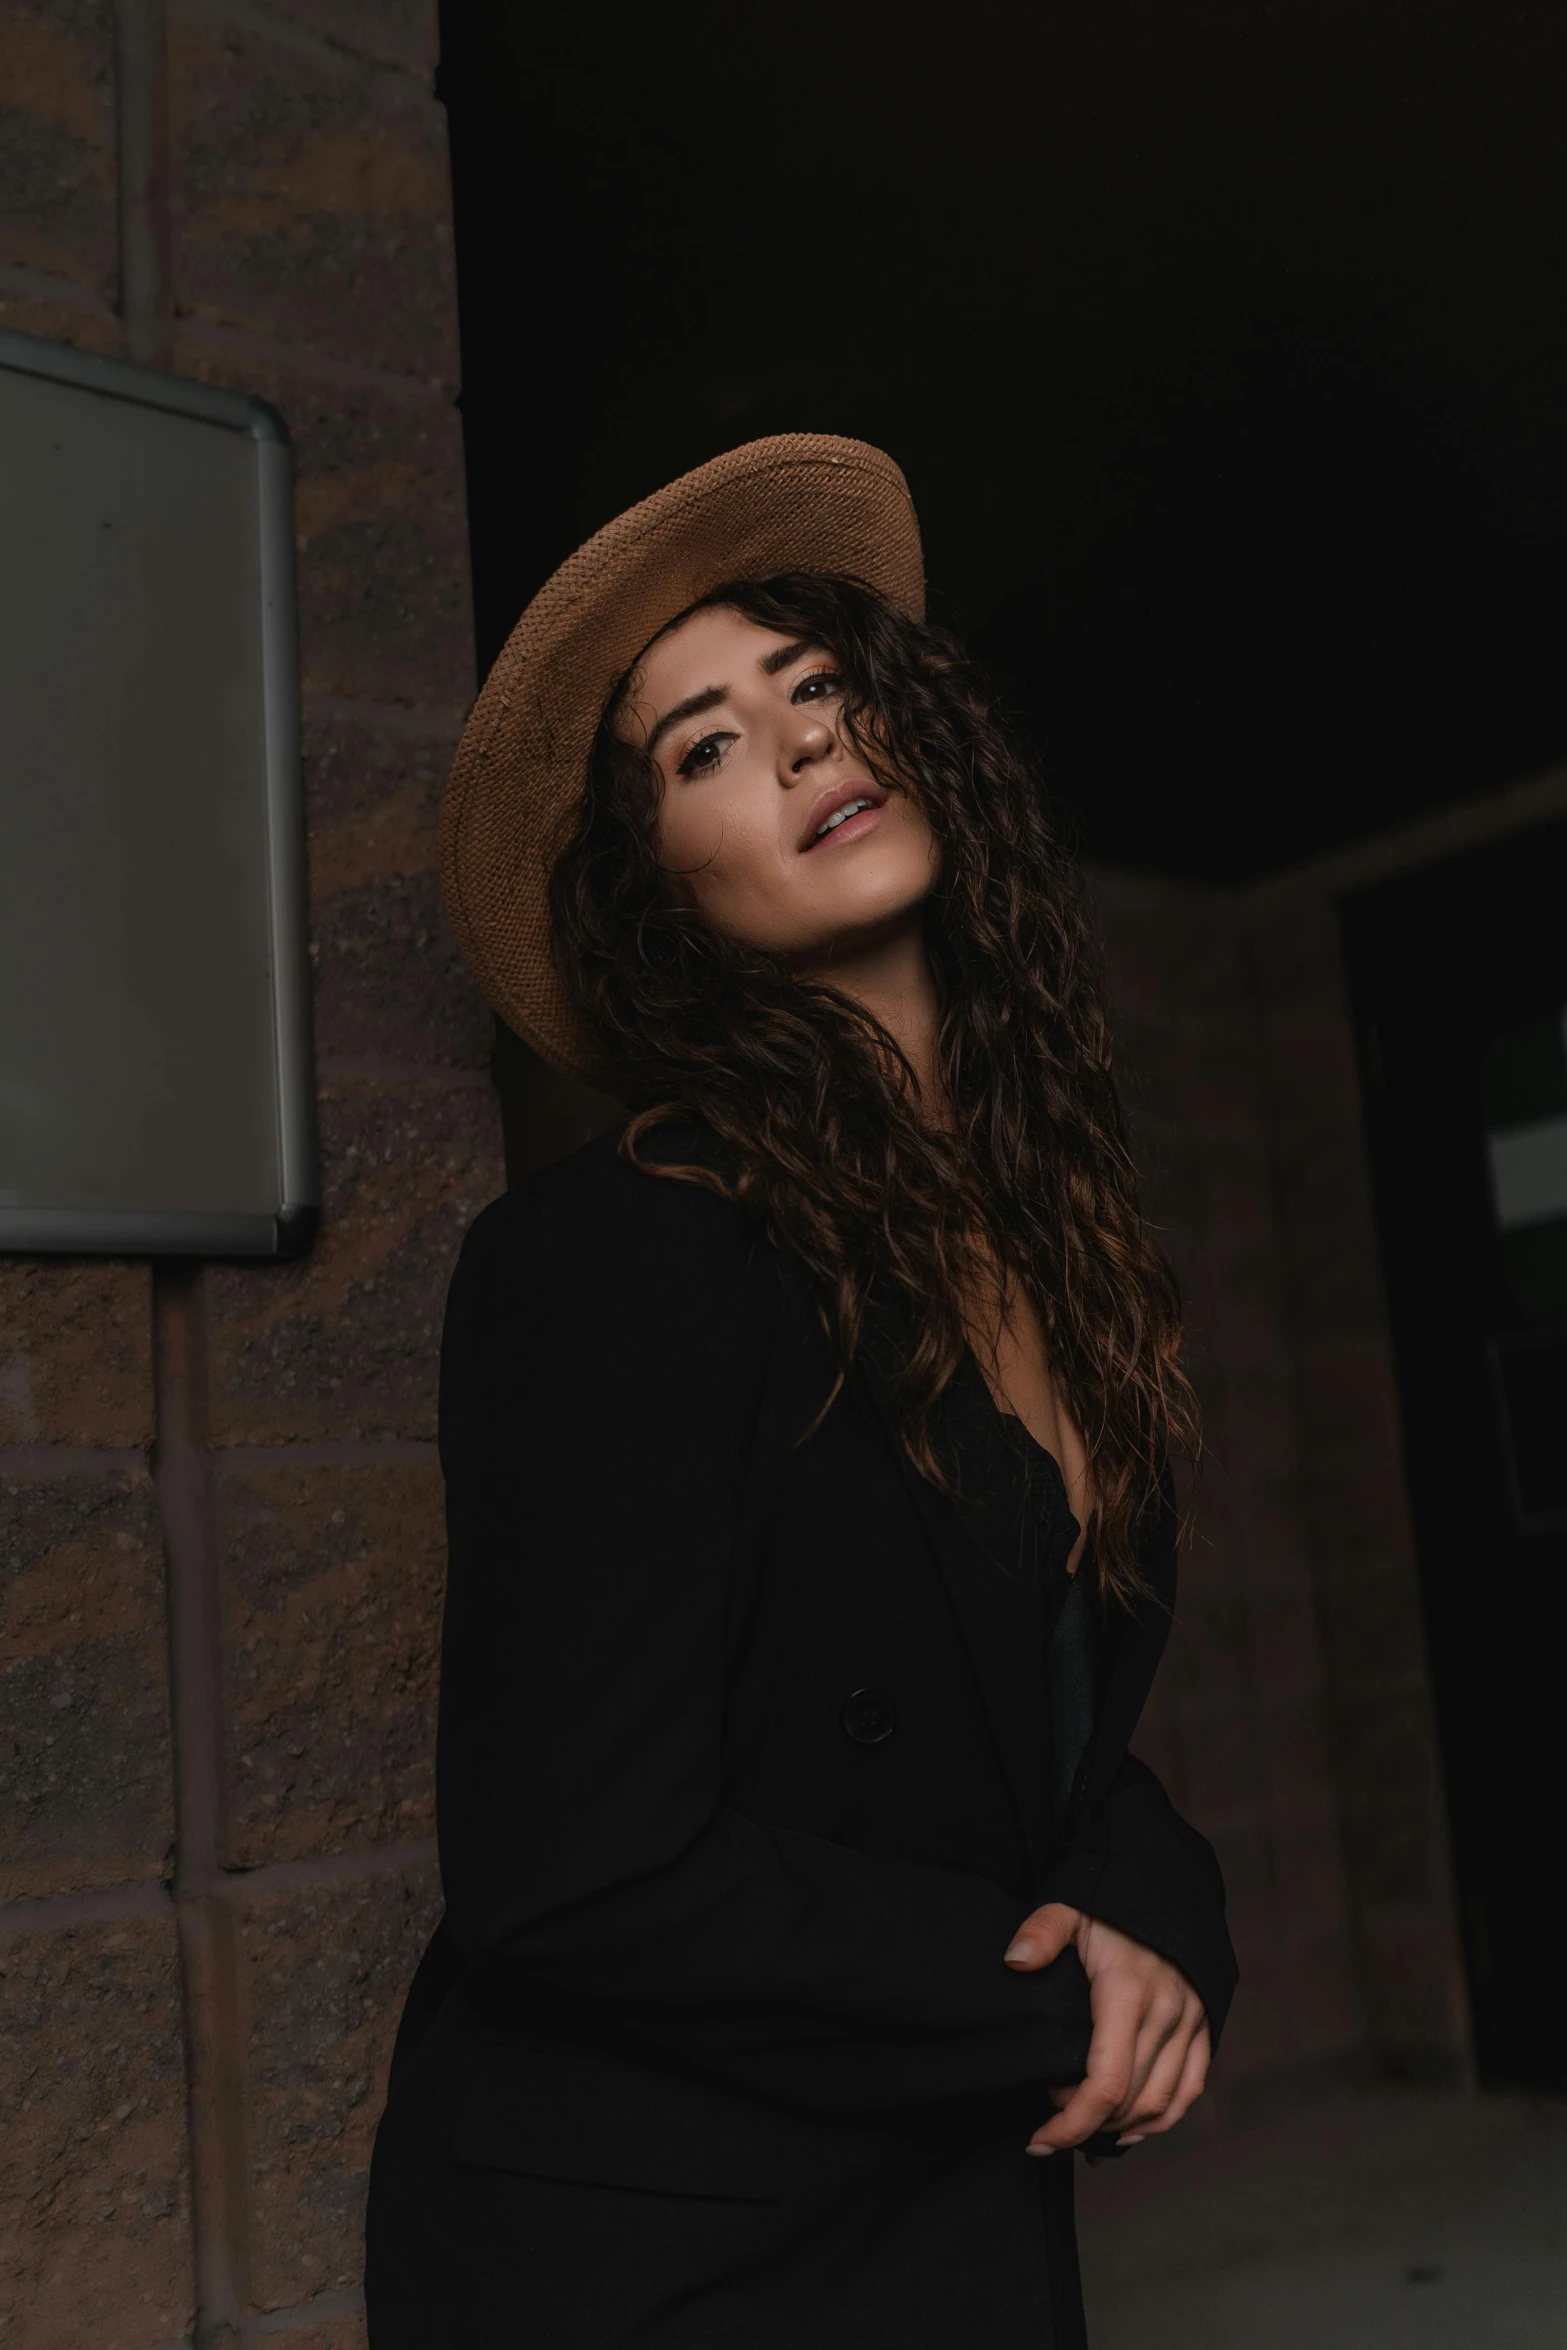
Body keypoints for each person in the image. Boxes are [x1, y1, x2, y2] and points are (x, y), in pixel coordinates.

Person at [364, 435, 1237, 2348]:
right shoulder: (621, 1253)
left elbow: (1021, 1737)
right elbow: (575, 1868)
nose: (795, 747)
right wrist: (1056, 1999)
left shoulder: (1055, 1238)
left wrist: (1159, 1906)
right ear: (662, 897)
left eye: (818, 689)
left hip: (930, 2208)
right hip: (664, 2263)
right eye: (701, 747)